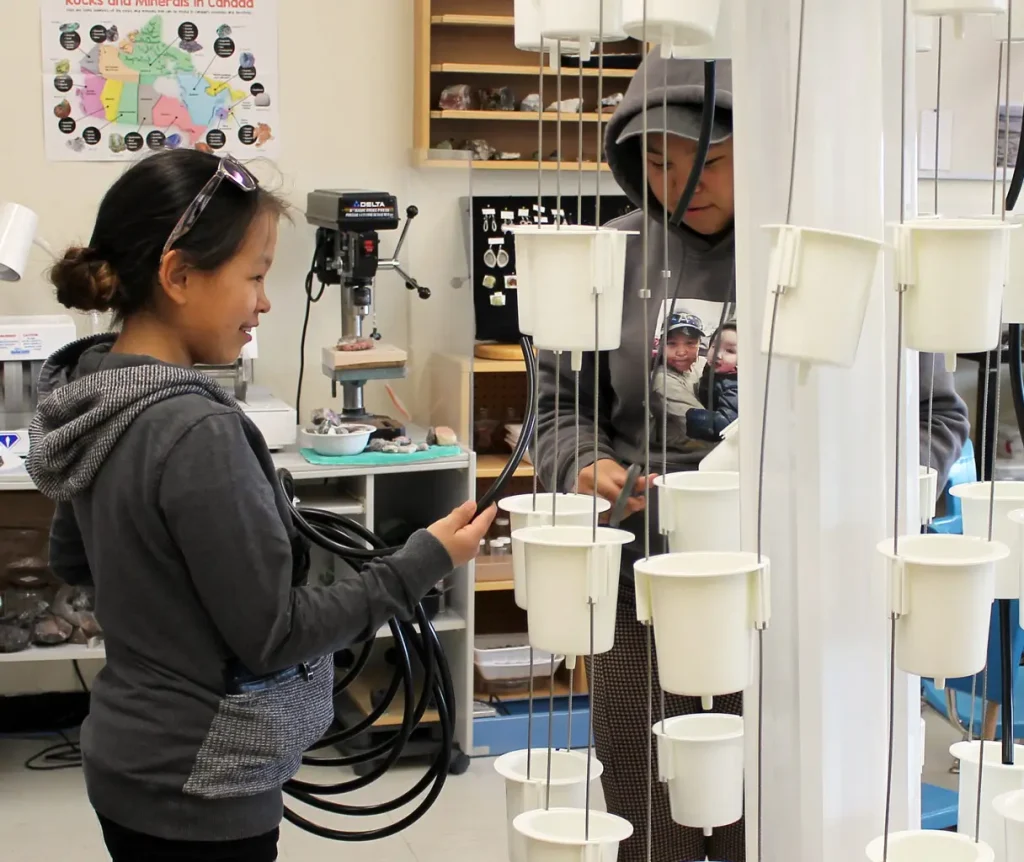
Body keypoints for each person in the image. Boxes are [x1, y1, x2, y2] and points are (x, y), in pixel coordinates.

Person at [535, 54, 970, 862]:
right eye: (657, 163)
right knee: (646, 809)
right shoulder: (612, 254)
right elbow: (559, 408)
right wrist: (583, 464)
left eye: (710, 160)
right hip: (643, 589)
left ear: (765, 147)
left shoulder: (845, 256)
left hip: (797, 601)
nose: (680, 182)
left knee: (771, 818)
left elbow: (936, 415)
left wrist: (882, 492)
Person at [26, 149, 496, 862]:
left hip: (128, 759)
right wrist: (423, 561)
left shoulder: (93, 396)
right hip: (202, 784)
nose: (266, 301)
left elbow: (72, 556)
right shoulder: (195, 430)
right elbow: (274, 635)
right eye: (254, 276)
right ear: (179, 275)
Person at [686, 320, 739, 441]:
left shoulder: (735, 387)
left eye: (730, 351)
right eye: (714, 346)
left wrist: (691, 416)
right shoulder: (712, 369)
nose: (718, 355)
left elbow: (726, 424)